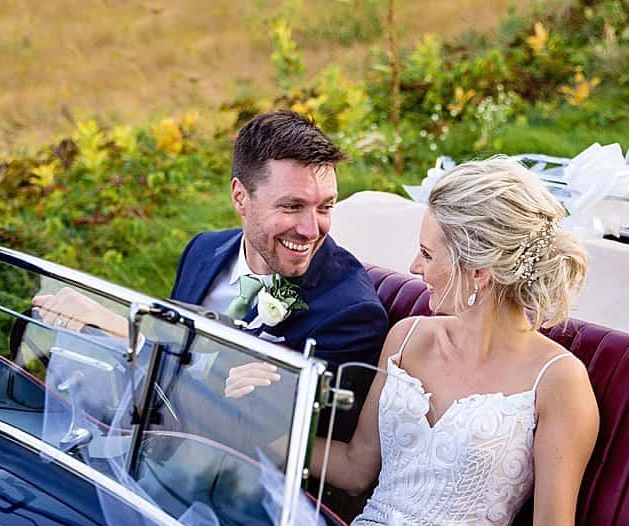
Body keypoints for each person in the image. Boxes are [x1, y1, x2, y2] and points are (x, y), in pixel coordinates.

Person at [308, 157, 599, 526]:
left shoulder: (559, 381)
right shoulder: (407, 339)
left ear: (479, 273)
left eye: (427, 253)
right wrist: (259, 431)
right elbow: (356, 467)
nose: (414, 269)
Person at [33, 110, 388, 375]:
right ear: (240, 198)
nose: (312, 230)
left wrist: (116, 328)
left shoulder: (351, 313)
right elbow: (172, 345)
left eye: (325, 206)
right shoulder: (203, 250)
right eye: (292, 206)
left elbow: (279, 437)